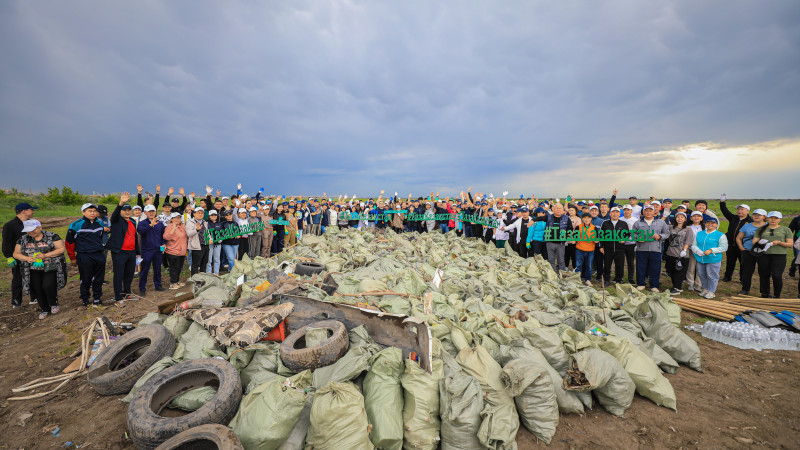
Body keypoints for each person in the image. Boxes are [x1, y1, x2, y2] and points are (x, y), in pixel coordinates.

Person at [13, 220, 67, 319]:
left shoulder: (52, 236)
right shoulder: (23, 239)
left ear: (40, 227)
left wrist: (45, 255)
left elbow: (60, 249)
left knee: (47, 285)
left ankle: (53, 302)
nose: (31, 233)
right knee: (37, 288)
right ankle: (44, 308)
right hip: (32, 268)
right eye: (28, 231)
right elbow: (16, 254)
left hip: (49, 266)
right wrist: (27, 258)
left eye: (33, 230)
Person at [66, 203, 107, 306]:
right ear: (83, 212)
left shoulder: (100, 223)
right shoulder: (76, 225)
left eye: (94, 211)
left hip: (98, 254)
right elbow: (69, 242)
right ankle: (85, 298)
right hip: (84, 255)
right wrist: (72, 258)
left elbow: (100, 237)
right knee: (86, 278)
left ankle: (97, 298)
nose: (92, 213)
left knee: (99, 278)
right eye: (89, 211)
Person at [3, 202, 37, 308]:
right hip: (17, 256)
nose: (33, 212)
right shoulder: (10, 225)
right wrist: (9, 257)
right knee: (18, 278)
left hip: (32, 255)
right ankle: (16, 301)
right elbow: (7, 242)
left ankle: (34, 297)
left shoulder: (32, 223)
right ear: (24, 211)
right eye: (31, 209)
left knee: (34, 276)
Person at [753, 211, 794, 298]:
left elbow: (790, 244)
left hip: (779, 255)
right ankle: (765, 294)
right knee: (764, 275)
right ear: (767, 218)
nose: (773, 220)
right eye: (771, 217)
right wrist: (760, 242)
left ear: (780, 219)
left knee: (777, 275)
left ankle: (777, 295)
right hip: (763, 255)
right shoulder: (761, 229)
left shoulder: (786, 230)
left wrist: (779, 243)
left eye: (776, 218)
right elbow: (754, 241)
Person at [107, 193, 140, 301]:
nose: (127, 212)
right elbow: (115, 214)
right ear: (121, 211)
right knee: (119, 275)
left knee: (129, 274)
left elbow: (135, 237)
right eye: (125, 210)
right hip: (120, 252)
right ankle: (118, 297)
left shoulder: (132, 221)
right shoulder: (117, 220)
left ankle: (127, 293)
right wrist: (121, 203)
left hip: (131, 252)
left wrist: (137, 252)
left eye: (129, 210)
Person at [632, 205, 670, 292]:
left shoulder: (660, 222)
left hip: (655, 249)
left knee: (655, 268)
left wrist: (659, 236)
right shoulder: (637, 223)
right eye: (646, 211)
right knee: (641, 267)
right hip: (641, 249)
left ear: (654, 212)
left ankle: (654, 285)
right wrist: (638, 238)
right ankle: (641, 284)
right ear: (643, 212)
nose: (648, 212)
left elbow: (667, 233)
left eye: (650, 211)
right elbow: (633, 234)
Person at [691, 216, 728, 299]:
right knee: (702, 274)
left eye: (712, 223)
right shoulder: (699, 233)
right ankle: (705, 288)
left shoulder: (720, 235)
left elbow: (724, 247)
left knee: (712, 275)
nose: (710, 224)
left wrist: (711, 250)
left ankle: (711, 291)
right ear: (705, 224)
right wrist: (697, 251)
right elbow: (694, 245)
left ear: (716, 225)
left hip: (713, 259)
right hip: (700, 258)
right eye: (708, 223)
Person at [719, 195, 753, 282]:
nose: (739, 211)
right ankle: (727, 277)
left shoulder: (751, 221)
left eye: (742, 209)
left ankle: (742, 278)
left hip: (743, 245)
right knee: (730, 262)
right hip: (731, 244)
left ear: (747, 211)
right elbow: (725, 211)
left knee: (743, 263)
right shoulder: (733, 218)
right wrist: (722, 202)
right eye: (738, 209)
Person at [137, 204, 167, 296]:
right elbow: (140, 231)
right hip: (147, 250)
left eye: (153, 211)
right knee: (145, 269)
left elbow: (163, 235)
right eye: (149, 212)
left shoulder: (160, 223)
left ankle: (158, 285)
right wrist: (150, 225)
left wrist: (163, 243)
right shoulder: (142, 223)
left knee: (157, 268)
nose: (151, 213)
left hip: (158, 249)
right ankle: (142, 288)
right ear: (145, 213)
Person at [736, 208, 766, 296]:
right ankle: (745, 289)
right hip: (748, 251)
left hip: (763, 252)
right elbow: (739, 238)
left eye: (759, 215)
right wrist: (742, 248)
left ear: (764, 217)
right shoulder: (747, 226)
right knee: (747, 272)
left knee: (764, 272)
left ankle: (764, 292)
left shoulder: (768, 226)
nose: (756, 216)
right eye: (755, 214)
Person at [664, 212, 694, 295]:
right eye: (678, 217)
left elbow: (688, 240)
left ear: (685, 219)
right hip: (670, 253)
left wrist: (684, 250)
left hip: (682, 254)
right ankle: (675, 285)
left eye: (682, 217)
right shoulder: (670, 227)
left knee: (680, 271)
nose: (679, 219)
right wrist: (664, 216)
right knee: (671, 270)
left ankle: (677, 288)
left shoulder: (688, 228)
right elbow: (661, 225)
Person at [599, 206, 629, 286]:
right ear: (610, 213)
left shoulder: (623, 224)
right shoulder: (605, 223)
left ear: (619, 214)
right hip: (608, 248)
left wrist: (625, 239)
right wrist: (601, 246)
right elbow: (602, 235)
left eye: (617, 212)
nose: (615, 214)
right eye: (613, 212)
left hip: (620, 249)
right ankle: (606, 280)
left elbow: (628, 234)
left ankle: (619, 280)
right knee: (607, 265)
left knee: (620, 265)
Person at [544, 203, 573, 272]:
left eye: (560, 208)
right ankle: (553, 274)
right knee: (551, 260)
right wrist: (532, 220)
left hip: (561, 243)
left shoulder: (566, 218)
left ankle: (562, 274)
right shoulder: (548, 217)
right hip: (550, 242)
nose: (558, 210)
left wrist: (568, 234)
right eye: (556, 208)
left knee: (561, 260)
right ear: (553, 209)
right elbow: (540, 218)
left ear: (563, 210)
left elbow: (570, 228)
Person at [163, 213, 188, 289]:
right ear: (172, 219)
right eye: (176, 218)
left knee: (179, 267)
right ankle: (173, 283)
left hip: (181, 252)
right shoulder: (169, 227)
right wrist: (173, 229)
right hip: (173, 251)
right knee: (174, 267)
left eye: (179, 218)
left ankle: (177, 281)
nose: (178, 219)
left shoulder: (181, 227)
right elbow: (166, 237)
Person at [684, 211, 705, 292]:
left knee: (700, 267)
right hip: (691, 250)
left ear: (701, 218)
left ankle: (698, 284)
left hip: (702, 251)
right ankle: (690, 283)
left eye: (698, 216)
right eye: (694, 216)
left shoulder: (704, 228)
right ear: (691, 218)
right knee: (691, 267)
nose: (696, 218)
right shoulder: (688, 227)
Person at [186, 207, 210, 276]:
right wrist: (196, 230)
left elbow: (207, 233)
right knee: (195, 265)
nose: (200, 214)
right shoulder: (190, 222)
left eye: (202, 213)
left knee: (204, 264)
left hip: (205, 245)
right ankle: (194, 280)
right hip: (196, 246)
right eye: (198, 213)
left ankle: (202, 280)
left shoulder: (205, 222)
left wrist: (209, 239)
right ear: (194, 214)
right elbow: (189, 234)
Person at [575, 213, 597, 285]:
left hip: (590, 250)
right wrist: (573, 240)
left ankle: (588, 279)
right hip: (580, 249)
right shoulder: (578, 227)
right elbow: (575, 236)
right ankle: (578, 279)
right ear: (582, 219)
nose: (586, 220)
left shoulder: (594, 228)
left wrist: (596, 240)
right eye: (585, 218)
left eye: (588, 218)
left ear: (591, 219)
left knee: (589, 266)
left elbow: (596, 238)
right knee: (578, 265)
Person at [619, 205, 637, 284]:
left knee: (630, 262)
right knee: (620, 262)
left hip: (631, 244)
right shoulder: (619, 219)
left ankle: (630, 278)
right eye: (625, 210)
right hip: (621, 244)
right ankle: (620, 277)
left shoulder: (636, 220)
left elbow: (638, 232)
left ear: (631, 211)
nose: (626, 211)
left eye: (628, 210)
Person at [206, 210, 223, 274]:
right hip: (210, 243)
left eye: (215, 215)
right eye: (212, 215)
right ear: (209, 216)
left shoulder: (219, 223)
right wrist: (209, 239)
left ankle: (216, 273)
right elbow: (206, 232)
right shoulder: (206, 223)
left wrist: (220, 238)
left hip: (218, 243)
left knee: (217, 259)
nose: (214, 216)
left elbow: (222, 232)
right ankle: (209, 273)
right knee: (209, 259)